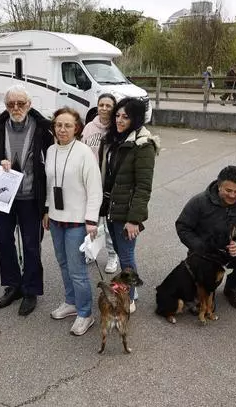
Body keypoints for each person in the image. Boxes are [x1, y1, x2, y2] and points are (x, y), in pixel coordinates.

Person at [0, 85, 53, 316]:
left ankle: (31, 290)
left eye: (20, 103)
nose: (16, 108)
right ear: (5, 106)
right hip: (3, 196)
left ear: (29, 104)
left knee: (31, 244)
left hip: (31, 197)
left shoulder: (43, 128)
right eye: (11, 104)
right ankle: (13, 286)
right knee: (4, 242)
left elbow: (51, 165)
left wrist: (48, 204)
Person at [45, 107, 103, 336]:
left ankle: (85, 313)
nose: (62, 129)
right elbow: (51, 185)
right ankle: (71, 302)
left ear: (77, 128)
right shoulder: (50, 150)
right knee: (62, 264)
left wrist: (91, 221)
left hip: (78, 222)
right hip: (56, 219)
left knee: (77, 269)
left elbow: (94, 189)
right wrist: (47, 210)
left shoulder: (84, 152)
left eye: (68, 125)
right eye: (59, 125)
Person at [99, 97, 159, 313]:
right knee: (118, 249)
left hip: (127, 213)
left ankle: (130, 297)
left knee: (126, 255)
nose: (119, 120)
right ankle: (129, 289)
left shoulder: (143, 145)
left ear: (135, 119)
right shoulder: (116, 139)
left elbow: (144, 186)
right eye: (117, 115)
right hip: (113, 208)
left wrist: (134, 219)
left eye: (125, 117)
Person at [175, 166, 236, 310]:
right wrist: (199, 246)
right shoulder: (199, 201)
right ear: (219, 186)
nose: (232, 195)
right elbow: (183, 227)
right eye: (228, 190)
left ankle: (231, 289)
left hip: (230, 253)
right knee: (197, 296)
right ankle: (199, 290)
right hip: (204, 253)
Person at [80, 93, 120, 273]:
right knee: (91, 220)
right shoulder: (89, 127)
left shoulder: (117, 128)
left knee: (110, 223)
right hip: (90, 180)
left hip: (109, 181)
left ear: (114, 108)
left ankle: (112, 256)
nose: (104, 108)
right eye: (101, 105)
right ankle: (91, 251)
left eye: (108, 105)